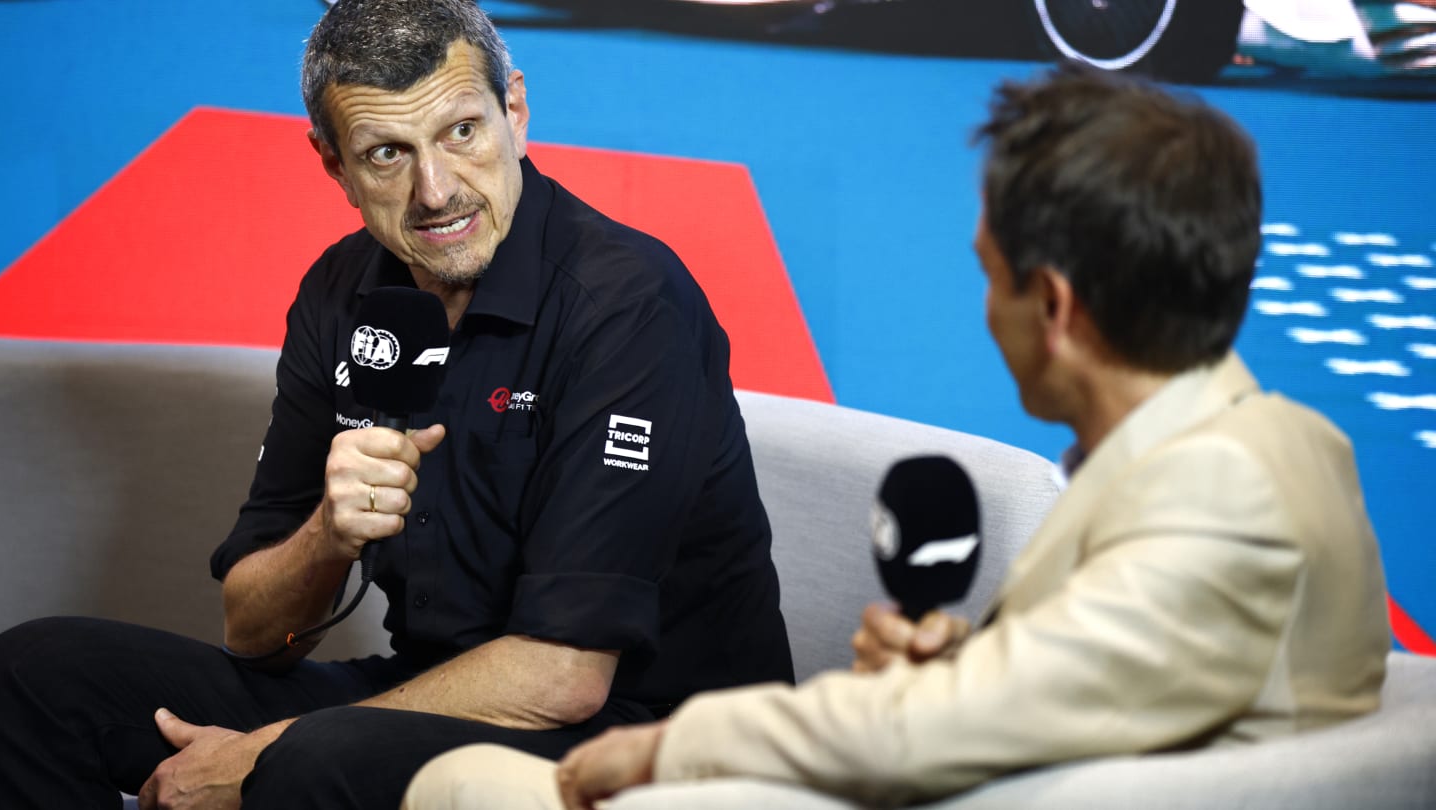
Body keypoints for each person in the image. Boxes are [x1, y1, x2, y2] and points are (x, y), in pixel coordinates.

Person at [399, 63, 1393, 810]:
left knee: (463, 783)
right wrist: (968, 659)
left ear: (1051, 305)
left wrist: (671, 748)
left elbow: (957, 730)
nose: (985, 308)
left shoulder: (1221, 498)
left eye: (988, 272)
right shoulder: (1275, 444)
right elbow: (1134, 677)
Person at [0, 0, 792, 807]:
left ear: (514, 110)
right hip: (431, 694)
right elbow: (253, 632)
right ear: (334, 167)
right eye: (386, 153)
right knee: (38, 673)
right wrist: (328, 534)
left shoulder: (625, 302)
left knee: (313, 762)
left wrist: (264, 751)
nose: (436, 190)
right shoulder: (342, 293)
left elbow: (565, 675)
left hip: (658, 739)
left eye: (461, 132)